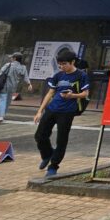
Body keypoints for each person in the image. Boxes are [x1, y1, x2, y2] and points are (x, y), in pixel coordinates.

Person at [34, 49, 89, 178]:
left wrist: (72, 96)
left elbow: (85, 94)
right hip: (52, 109)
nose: (61, 66)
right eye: (60, 64)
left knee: (61, 140)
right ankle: (47, 154)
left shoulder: (81, 75)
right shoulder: (58, 75)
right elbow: (50, 93)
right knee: (40, 136)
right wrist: (40, 110)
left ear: (72, 62)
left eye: (64, 64)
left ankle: (53, 166)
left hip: (67, 112)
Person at [0, 52, 31, 123]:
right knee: (8, 101)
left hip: (4, 86)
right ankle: (3, 115)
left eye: (12, 57)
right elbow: (25, 77)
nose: (11, 58)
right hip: (13, 87)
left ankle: (1, 116)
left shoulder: (8, 65)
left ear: (15, 58)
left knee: (2, 100)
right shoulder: (23, 67)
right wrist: (29, 84)